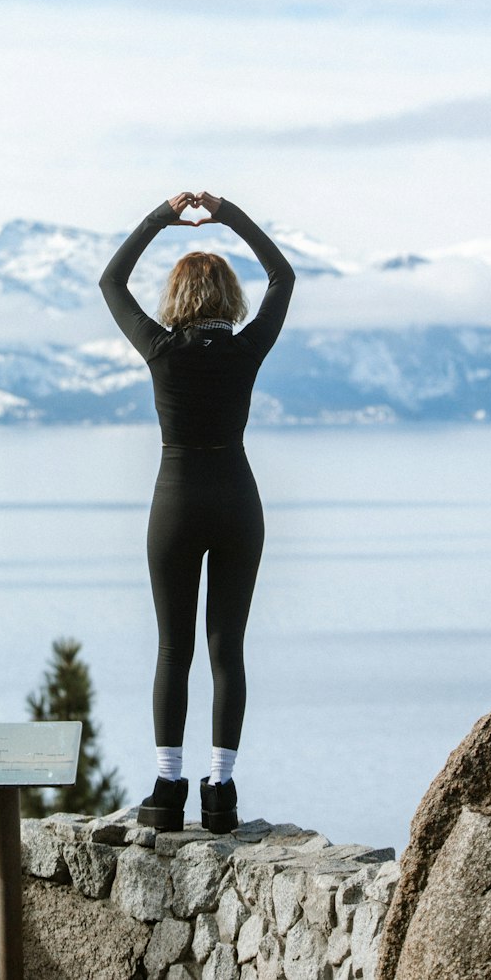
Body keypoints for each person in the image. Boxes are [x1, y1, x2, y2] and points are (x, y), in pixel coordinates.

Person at [99, 190, 295, 833]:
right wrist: (230, 213)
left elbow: (111, 279)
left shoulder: (161, 350)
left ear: (178, 300)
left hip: (177, 500)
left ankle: (167, 786)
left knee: (173, 647)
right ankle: (223, 791)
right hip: (237, 498)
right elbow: (283, 275)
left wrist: (160, 216)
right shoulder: (246, 349)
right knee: (226, 650)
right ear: (228, 299)